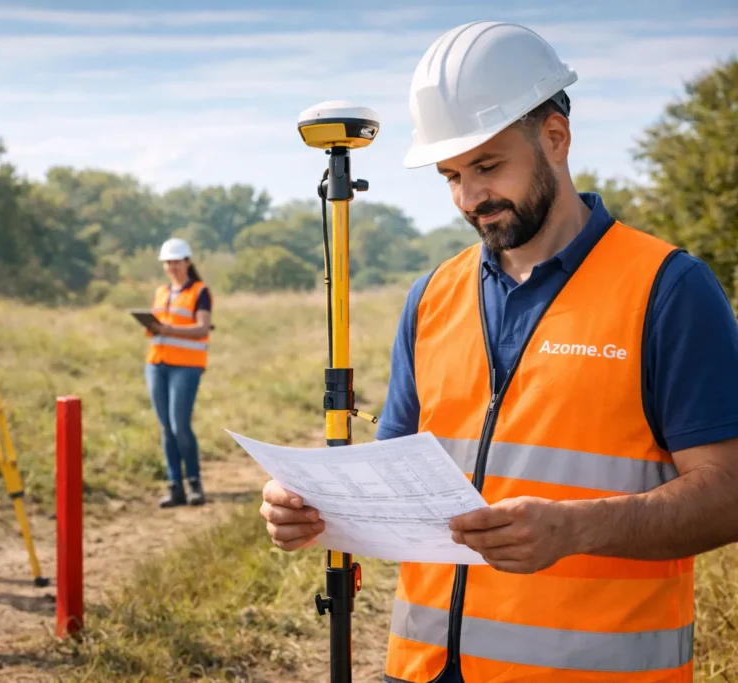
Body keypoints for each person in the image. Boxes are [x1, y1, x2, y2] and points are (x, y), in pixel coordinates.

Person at [259, 20, 738, 683]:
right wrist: (312, 507)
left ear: (555, 138)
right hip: (423, 668)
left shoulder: (668, 290)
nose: (469, 197)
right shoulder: (431, 296)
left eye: (487, 166)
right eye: (451, 175)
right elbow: (390, 482)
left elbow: (728, 492)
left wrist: (577, 528)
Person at [144, 237, 213, 508]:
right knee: (165, 428)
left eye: (176, 262)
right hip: (156, 363)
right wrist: (151, 327)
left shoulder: (200, 291)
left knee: (179, 426)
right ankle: (175, 486)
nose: (171, 267)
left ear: (187, 262)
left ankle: (194, 483)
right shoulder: (161, 292)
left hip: (186, 366)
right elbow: (159, 325)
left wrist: (168, 330)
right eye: (167, 262)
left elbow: (202, 328)